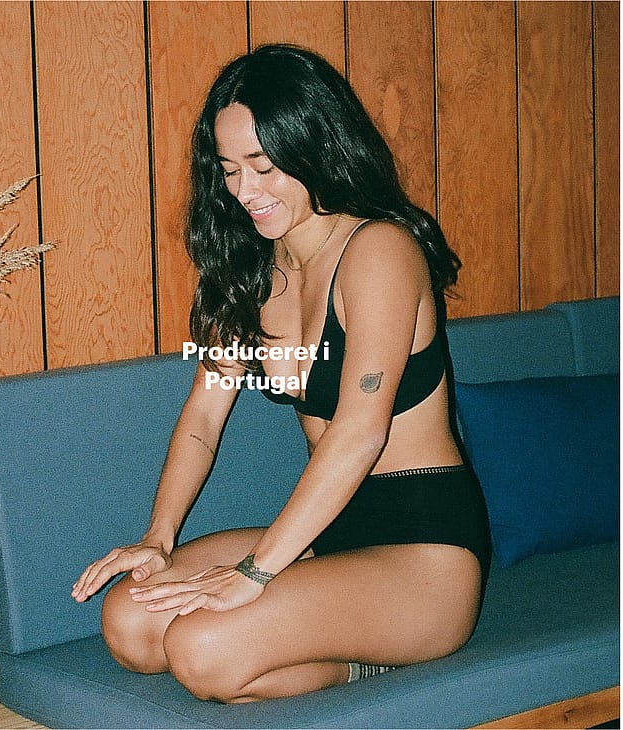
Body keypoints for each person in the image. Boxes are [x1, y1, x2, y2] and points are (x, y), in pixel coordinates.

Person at [71, 44, 491, 703]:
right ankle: (312, 646)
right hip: (327, 534)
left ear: (313, 149)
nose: (245, 191)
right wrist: (159, 538)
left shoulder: (379, 252)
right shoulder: (252, 271)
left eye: (264, 167)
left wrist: (256, 571)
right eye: (229, 170)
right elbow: (204, 416)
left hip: (426, 552)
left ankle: (367, 663)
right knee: (129, 620)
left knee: (201, 647)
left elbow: (359, 432)